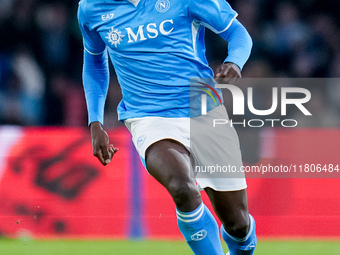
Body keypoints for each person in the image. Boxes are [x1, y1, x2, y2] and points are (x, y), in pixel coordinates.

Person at [78, 0, 257, 254]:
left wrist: (235, 62)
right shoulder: (91, 7)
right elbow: (95, 62)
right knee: (183, 188)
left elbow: (237, 33)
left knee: (238, 225)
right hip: (148, 117)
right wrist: (95, 121)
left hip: (204, 111)